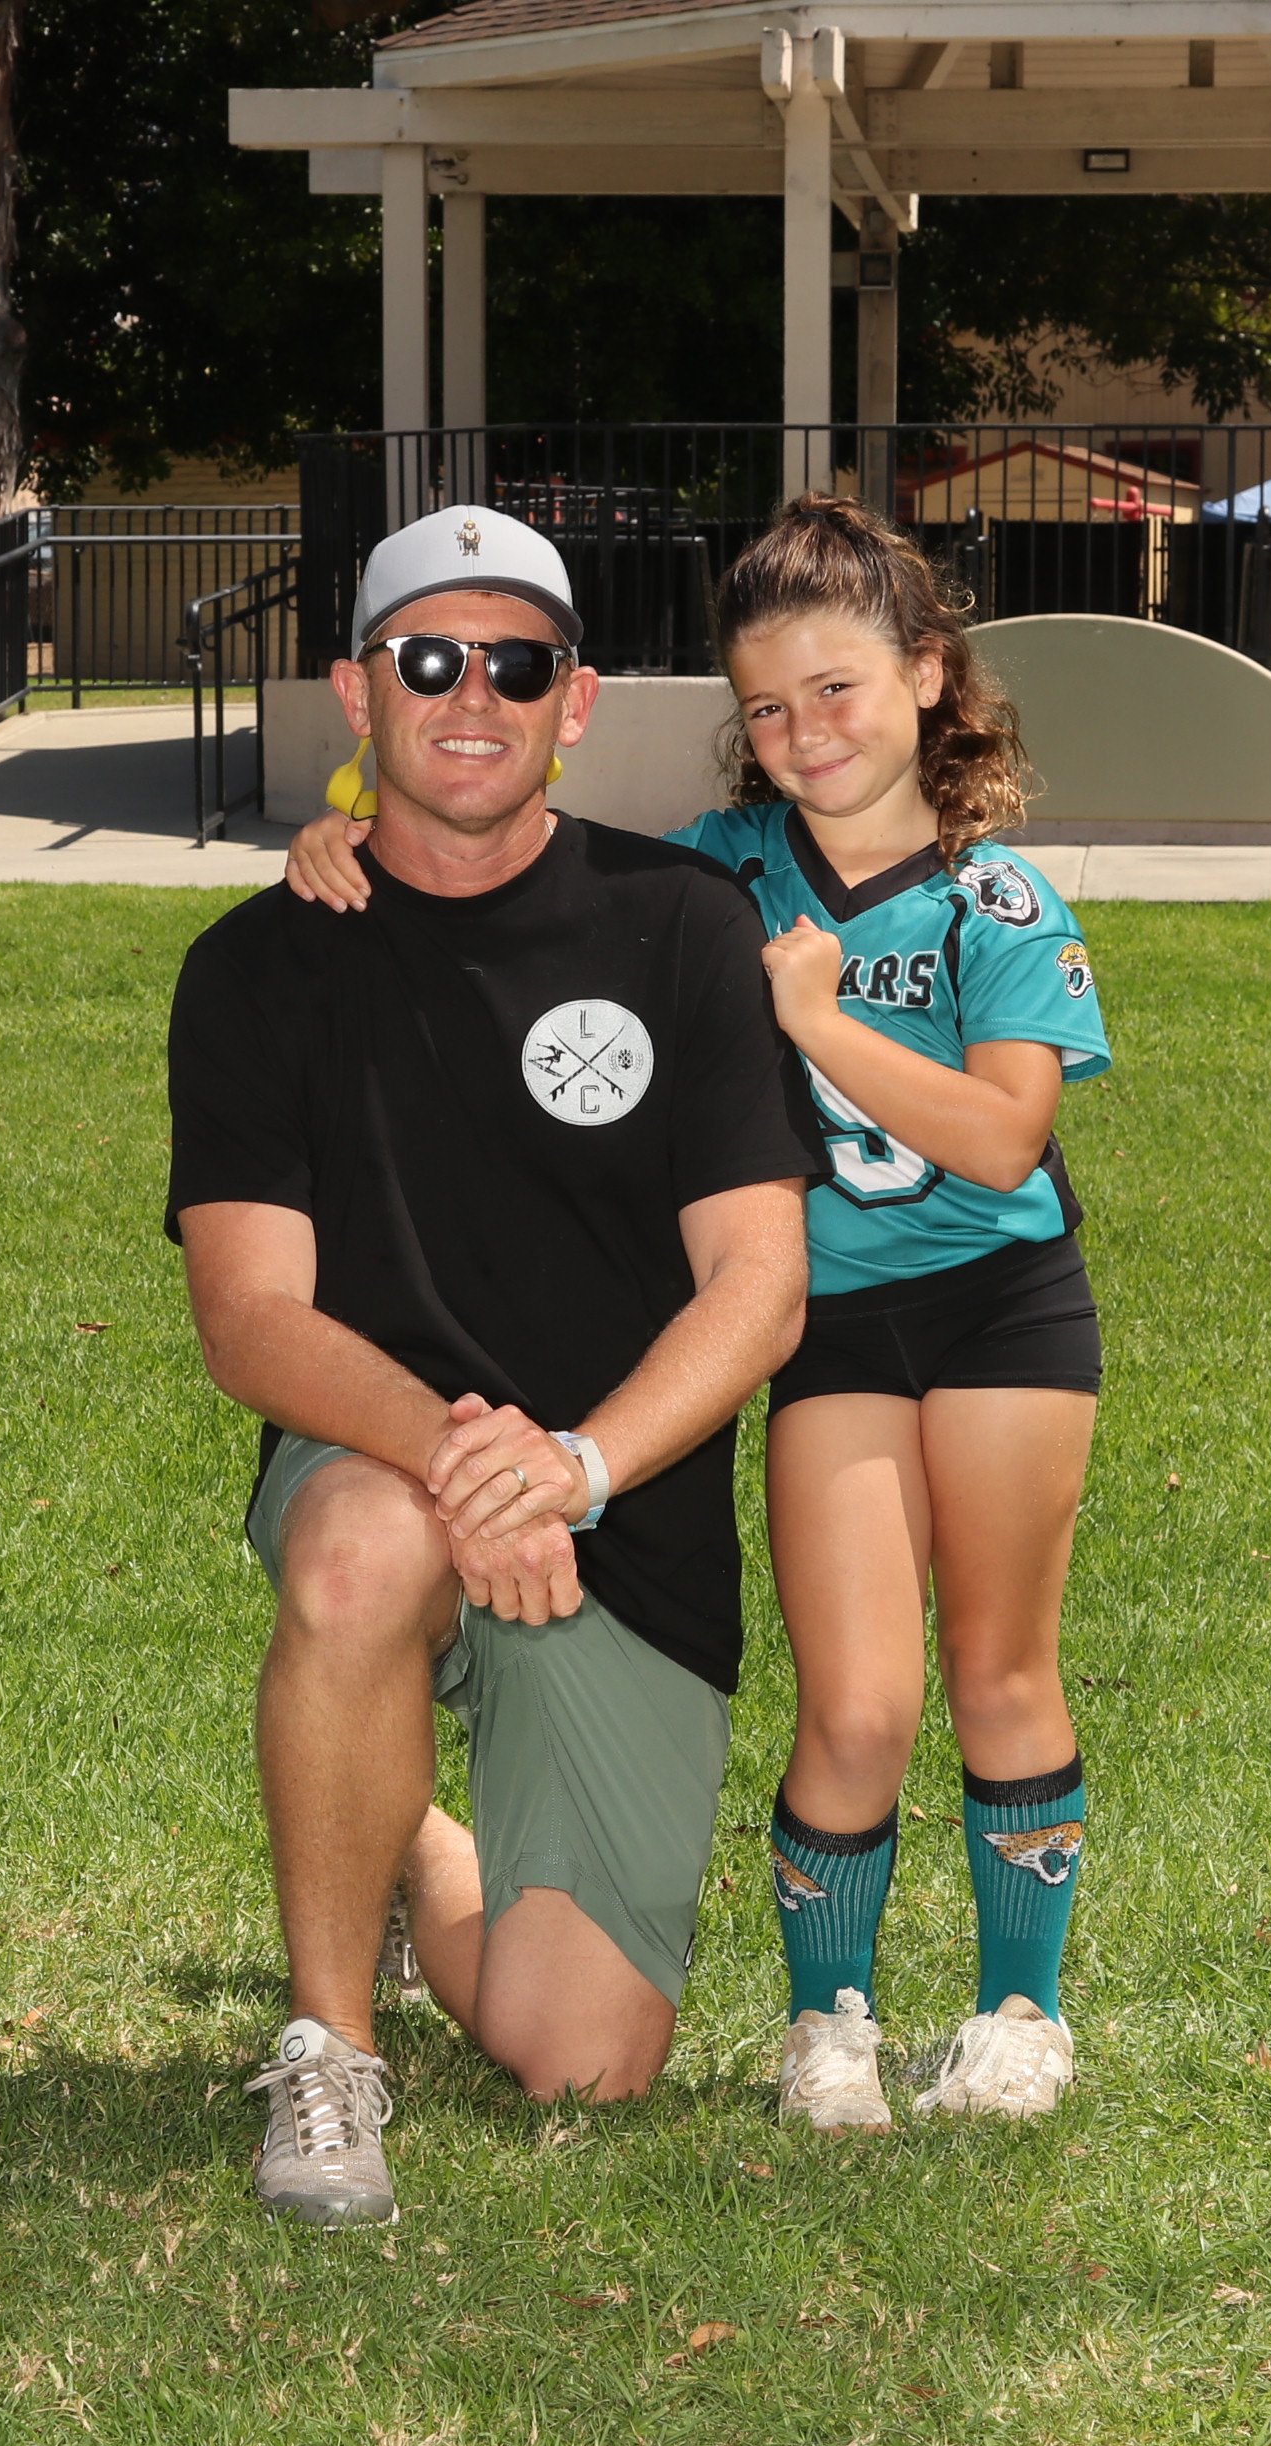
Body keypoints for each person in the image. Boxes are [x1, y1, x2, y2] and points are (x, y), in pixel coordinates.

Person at [282, 496, 1111, 2134]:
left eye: (840, 690)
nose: (805, 733)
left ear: (929, 676)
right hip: (830, 1326)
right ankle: (829, 2023)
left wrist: (820, 1019)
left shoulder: (1001, 901)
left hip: (1004, 1311)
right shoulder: (721, 873)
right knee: (857, 1702)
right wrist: (338, 825)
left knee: (1002, 1668)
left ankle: (1022, 2011)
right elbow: (519, 856)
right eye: (767, 707)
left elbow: (1006, 1137)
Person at [166, 503, 814, 2228]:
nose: (473, 696)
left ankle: (398, 1845)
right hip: (384, 1457)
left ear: (575, 701)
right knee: (362, 1553)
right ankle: (328, 2046)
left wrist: (576, 1469)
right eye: (429, 658)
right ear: (357, 691)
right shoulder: (254, 967)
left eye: (516, 665)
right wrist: (470, 1464)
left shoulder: (682, 927)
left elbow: (760, 1288)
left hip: (619, 1504)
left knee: (582, 2059)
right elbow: (251, 1322)